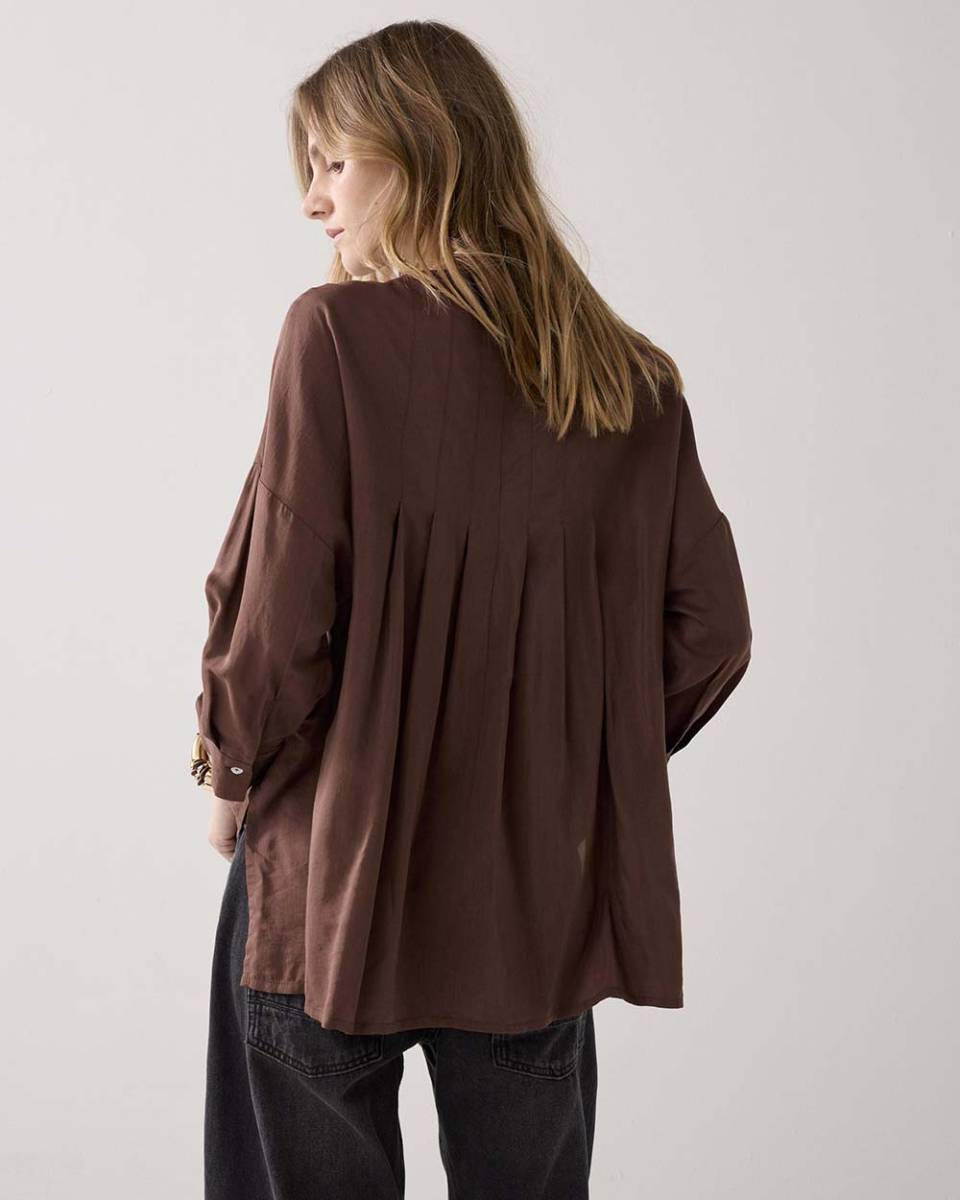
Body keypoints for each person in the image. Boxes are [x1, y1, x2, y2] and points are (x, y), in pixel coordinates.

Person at [194, 19, 752, 1200]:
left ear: (425, 152)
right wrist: (564, 757)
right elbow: (711, 630)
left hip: (327, 880)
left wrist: (229, 772)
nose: (312, 200)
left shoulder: (332, 337)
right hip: (530, 900)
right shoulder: (632, 380)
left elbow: (280, 615)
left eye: (335, 163)